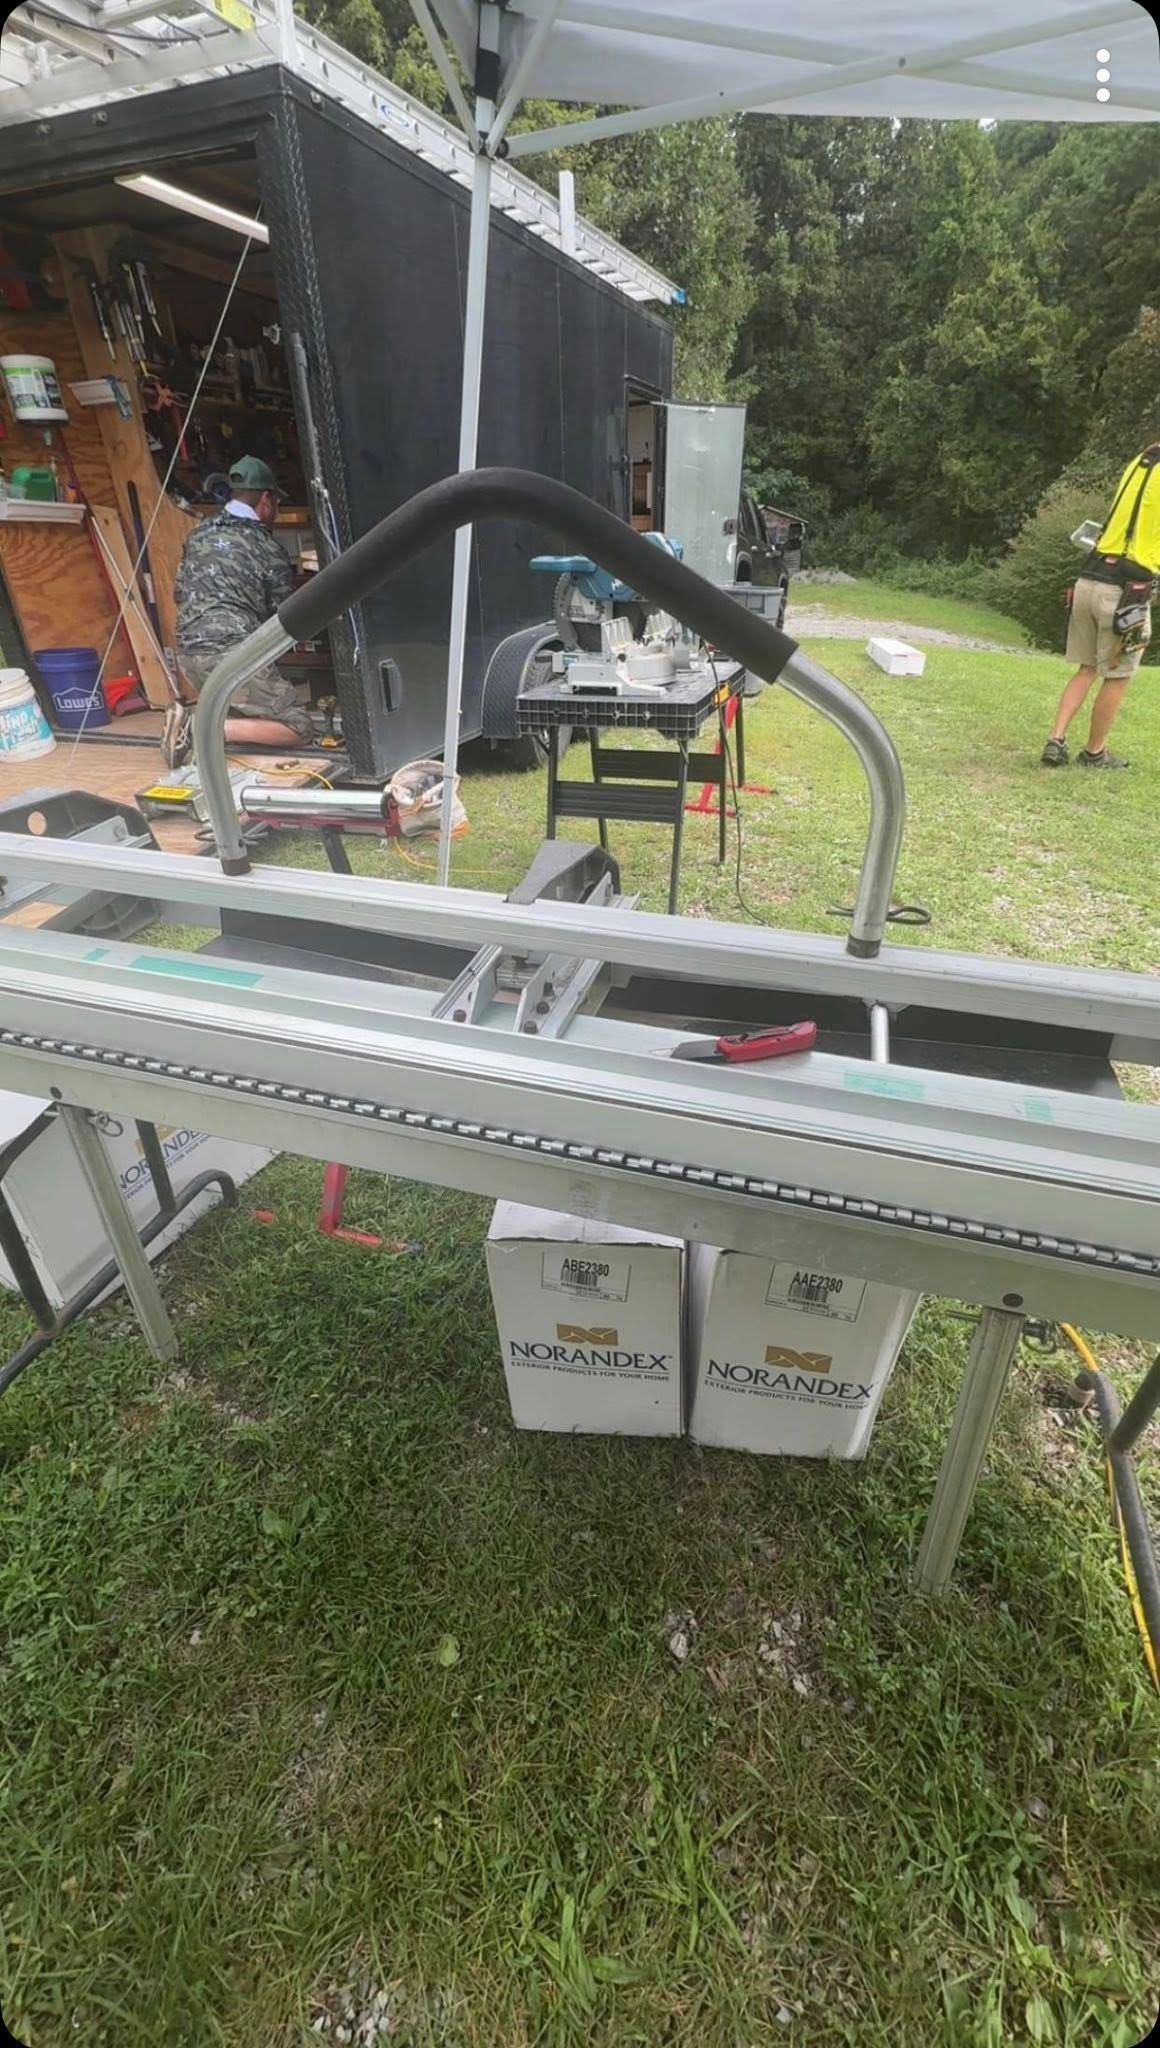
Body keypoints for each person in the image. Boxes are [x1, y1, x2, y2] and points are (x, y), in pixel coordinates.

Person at [163, 454, 313, 767]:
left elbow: (179, 592)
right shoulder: (267, 547)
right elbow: (287, 616)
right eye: (276, 504)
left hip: (189, 654)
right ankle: (203, 728)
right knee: (299, 726)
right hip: (232, 655)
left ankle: (208, 721)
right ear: (266, 500)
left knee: (247, 702)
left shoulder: (198, 535)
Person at [1041, 443, 1160, 770]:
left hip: (1090, 578)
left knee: (1088, 667)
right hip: (1126, 591)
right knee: (1118, 675)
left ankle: (1056, 740)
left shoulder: (1143, 460)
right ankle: (1095, 752)